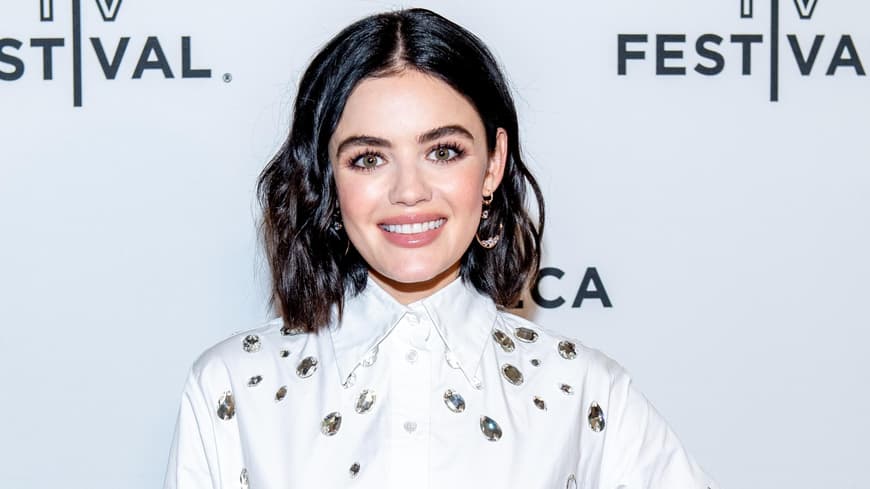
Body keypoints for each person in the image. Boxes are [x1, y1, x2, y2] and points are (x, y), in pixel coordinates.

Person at [163, 7, 719, 489]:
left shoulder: (583, 391)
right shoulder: (232, 387)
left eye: (444, 152)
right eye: (368, 158)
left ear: (493, 163)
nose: (409, 191)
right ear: (326, 178)